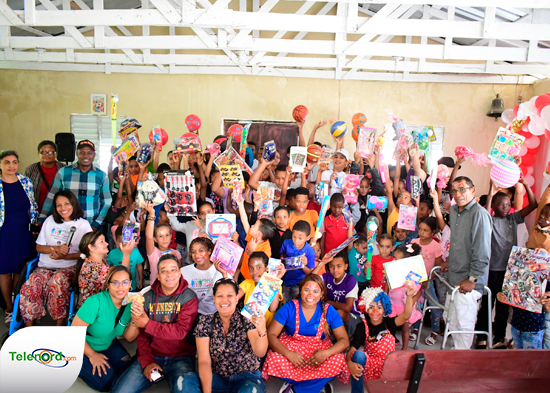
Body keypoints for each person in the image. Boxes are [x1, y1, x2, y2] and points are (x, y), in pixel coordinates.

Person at [111, 254, 201, 393]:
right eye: (164, 271)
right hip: (153, 355)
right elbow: (142, 336)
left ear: (179, 273)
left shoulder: (189, 297)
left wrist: (147, 324)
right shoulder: (147, 297)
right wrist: (147, 362)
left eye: (173, 269)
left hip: (181, 357)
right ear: (158, 275)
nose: (169, 274)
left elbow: (180, 332)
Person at [475, 178, 537, 349]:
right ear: (494, 206)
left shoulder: (513, 219)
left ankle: (499, 338)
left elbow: (533, 205)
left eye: (508, 204)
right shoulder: (490, 219)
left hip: (509, 271)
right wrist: (491, 191)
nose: (505, 208)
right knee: (487, 305)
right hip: (492, 271)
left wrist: (524, 184)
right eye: (501, 205)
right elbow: (485, 212)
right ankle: (481, 336)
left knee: (503, 307)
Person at [263, 275, 350, 393]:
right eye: (307, 290)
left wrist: (326, 353)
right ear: (300, 290)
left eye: (315, 291)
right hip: (292, 351)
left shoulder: (329, 310)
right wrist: (288, 354)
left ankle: (295, 388)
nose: (311, 295)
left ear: (322, 294)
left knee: (339, 360)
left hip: (320, 352)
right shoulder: (289, 307)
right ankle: (318, 385)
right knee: (274, 358)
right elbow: (271, 334)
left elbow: (344, 340)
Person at [19, 190, 92, 326]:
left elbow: (89, 252)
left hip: (68, 267)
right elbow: (39, 247)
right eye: (59, 205)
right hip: (45, 266)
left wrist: (66, 256)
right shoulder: (49, 220)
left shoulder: (83, 225)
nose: (63, 208)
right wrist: (56, 249)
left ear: (73, 204)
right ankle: (29, 328)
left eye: (66, 204)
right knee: (32, 283)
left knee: (57, 282)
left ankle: (60, 325)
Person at [72, 266, 140, 392]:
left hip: (107, 343)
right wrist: (92, 355)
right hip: (81, 346)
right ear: (108, 284)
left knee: (127, 370)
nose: (121, 287)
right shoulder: (95, 302)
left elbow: (129, 338)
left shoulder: (131, 303)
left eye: (125, 282)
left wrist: (136, 320)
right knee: (107, 383)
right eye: (115, 283)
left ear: (130, 283)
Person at [195, 278, 269, 393]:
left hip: (247, 379)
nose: (225, 300)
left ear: (236, 298)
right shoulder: (205, 322)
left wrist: (262, 331)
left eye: (229, 295)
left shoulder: (247, 318)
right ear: (214, 299)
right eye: (220, 296)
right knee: (186, 381)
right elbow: (204, 361)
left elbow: (260, 353)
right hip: (218, 379)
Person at [444, 176, 491, 349]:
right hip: (454, 277)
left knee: (464, 326)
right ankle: (456, 355)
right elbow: (457, 242)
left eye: (462, 189)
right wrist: (450, 260)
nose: (458, 194)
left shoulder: (480, 214)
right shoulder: (455, 210)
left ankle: (462, 361)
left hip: (469, 281)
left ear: (473, 190)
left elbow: (482, 251)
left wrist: (472, 279)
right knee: (451, 321)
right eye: (454, 190)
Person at [347, 285, 418, 391]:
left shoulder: (389, 323)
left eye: (379, 307)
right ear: (366, 308)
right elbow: (352, 349)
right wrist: (350, 363)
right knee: (358, 355)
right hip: (370, 367)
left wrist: (409, 296)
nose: (375, 311)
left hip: (390, 366)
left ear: (385, 308)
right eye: (371, 307)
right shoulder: (362, 327)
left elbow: (406, 315)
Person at [39, 140, 112, 231]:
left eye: (89, 153)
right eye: (82, 152)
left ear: (94, 155)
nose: (86, 156)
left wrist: (97, 224)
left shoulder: (102, 176)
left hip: (92, 226)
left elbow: (107, 202)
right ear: (77, 154)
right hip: (66, 226)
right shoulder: (63, 173)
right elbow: (51, 197)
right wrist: (42, 218)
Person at [0, 150, 38, 326]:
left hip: (23, 232)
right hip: (4, 233)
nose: (11, 166)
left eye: (14, 162)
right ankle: (9, 308)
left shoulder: (25, 181)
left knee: (20, 270)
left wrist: (34, 224)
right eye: (7, 162)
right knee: (5, 271)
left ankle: (18, 307)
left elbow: (33, 205)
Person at [411, 217, 444, 346]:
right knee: (415, 305)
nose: (422, 233)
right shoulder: (414, 242)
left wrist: (429, 279)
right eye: (420, 229)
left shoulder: (436, 246)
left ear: (433, 232)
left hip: (428, 281)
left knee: (434, 305)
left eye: (425, 230)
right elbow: (409, 261)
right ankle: (415, 328)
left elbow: (438, 267)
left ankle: (435, 331)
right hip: (414, 281)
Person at [313, 250, 361, 337]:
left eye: (339, 266)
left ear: (346, 266)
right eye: (331, 266)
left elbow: (347, 307)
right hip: (331, 314)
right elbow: (311, 279)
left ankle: (341, 339)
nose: (335, 270)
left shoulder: (350, 280)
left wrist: (329, 303)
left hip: (353, 318)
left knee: (339, 313)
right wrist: (323, 262)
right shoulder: (327, 276)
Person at [76, 231, 130, 306]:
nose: (107, 244)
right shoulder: (93, 268)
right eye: (102, 242)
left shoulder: (102, 260)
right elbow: (122, 277)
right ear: (91, 247)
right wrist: (126, 254)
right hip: (96, 310)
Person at [388, 244, 423, 349]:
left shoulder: (413, 275)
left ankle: (404, 349)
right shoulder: (392, 271)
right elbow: (387, 285)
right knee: (390, 326)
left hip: (404, 305)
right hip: (392, 302)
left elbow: (418, 291)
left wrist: (412, 301)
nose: (393, 260)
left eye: (396, 259)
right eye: (393, 257)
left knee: (405, 328)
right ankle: (388, 347)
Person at [181, 237, 228, 315]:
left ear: (209, 251)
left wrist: (224, 274)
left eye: (201, 251)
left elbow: (229, 294)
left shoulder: (221, 270)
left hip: (217, 314)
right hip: (193, 316)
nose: (197, 255)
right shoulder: (183, 272)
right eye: (193, 252)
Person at [238, 252, 285, 327]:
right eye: (251, 268)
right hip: (248, 328)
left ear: (267, 268)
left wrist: (276, 280)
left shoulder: (275, 285)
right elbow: (235, 297)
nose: (254, 272)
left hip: (265, 331)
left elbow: (272, 308)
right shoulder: (247, 283)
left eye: (259, 267)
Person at [144, 201, 182, 284]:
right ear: (155, 239)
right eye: (160, 236)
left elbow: (180, 274)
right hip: (156, 290)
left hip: (172, 288)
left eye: (167, 235)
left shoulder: (176, 253)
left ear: (171, 237)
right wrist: (151, 215)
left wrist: (175, 260)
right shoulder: (153, 252)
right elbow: (148, 237)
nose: (165, 239)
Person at [280, 220, 316, 303]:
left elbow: (309, 272)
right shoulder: (286, 243)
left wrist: (303, 265)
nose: (296, 240)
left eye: (300, 238)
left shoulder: (310, 252)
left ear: (308, 237)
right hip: (286, 280)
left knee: (297, 304)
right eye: (294, 236)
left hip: (299, 283)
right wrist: (283, 261)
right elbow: (282, 254)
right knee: (285, 303)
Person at [24, 140, 65, 211]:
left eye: (50, 152)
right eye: (43, 152)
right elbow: (25, 190)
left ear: (56, 154)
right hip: (36, 211)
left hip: (59, 212)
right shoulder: (31, 169)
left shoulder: (63, 169)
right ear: (38, 153)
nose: (47, 155)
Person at [108, 226, 145, 291]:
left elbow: (139, 266)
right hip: (117, 286)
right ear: (116, 241)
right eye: (120, 241)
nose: (124, 244)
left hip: (132, 284)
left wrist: (141, 279)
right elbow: (109, 267)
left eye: (126, 241)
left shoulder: (136, 252)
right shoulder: (112, 253)